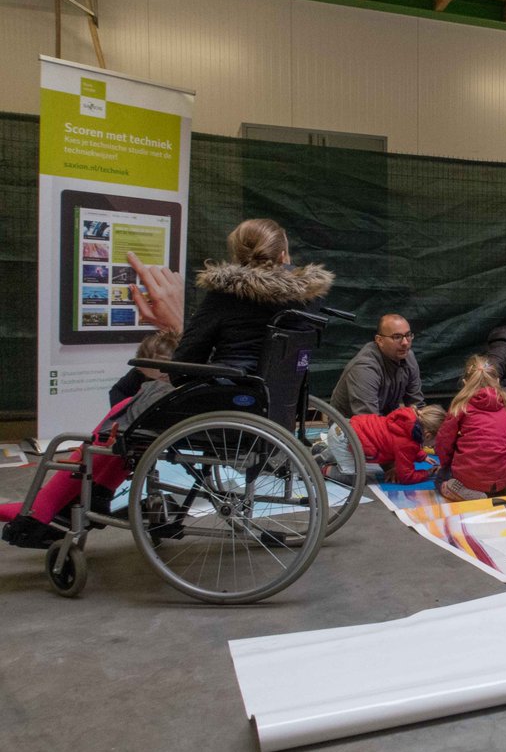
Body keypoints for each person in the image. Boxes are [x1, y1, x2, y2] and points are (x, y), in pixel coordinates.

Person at [2, 219, 334, 548]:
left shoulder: (225, 295)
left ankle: (43, 509)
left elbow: (185, 360)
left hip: (223, 399)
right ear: (283, 254)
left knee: (129, 410)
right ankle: (88, 497)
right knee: (134, 413)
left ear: (236, 254)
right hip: (272, 405)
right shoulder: (309, 299)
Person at [435, 355, 506, 502]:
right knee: (502, 464)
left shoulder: (461, 406)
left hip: (470, 479)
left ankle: (458, 489)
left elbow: (443, 440)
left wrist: (446, 463)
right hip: (499, 479)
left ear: (465, 382)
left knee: (441, 477)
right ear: (497, 381)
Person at [324, 403, 446, 485]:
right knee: (357, 479)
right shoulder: (407, 444)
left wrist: (422, 455)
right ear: (428, 435)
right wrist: (428, 473)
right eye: (435, 442)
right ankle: (320, 471)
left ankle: (321, 455)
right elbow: (406, 477)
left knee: (340, 451)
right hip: (346, 439)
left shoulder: (405, 421)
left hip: (343, 427)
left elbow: (400, 442)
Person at [330, 313, 424, 417]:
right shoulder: (364, 368)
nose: (405, 342)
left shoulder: (408, 357)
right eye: (397, 337)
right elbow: (368, 420)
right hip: (348, 426)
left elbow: (417, 405)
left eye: (408, 335)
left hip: (382, 420)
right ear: (380, 340)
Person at [108, 330, 180, 406]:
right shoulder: (139, 372)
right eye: (151, 378)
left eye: (164, 377)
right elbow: (117, 390)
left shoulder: (187, 374)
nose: (159, 382)